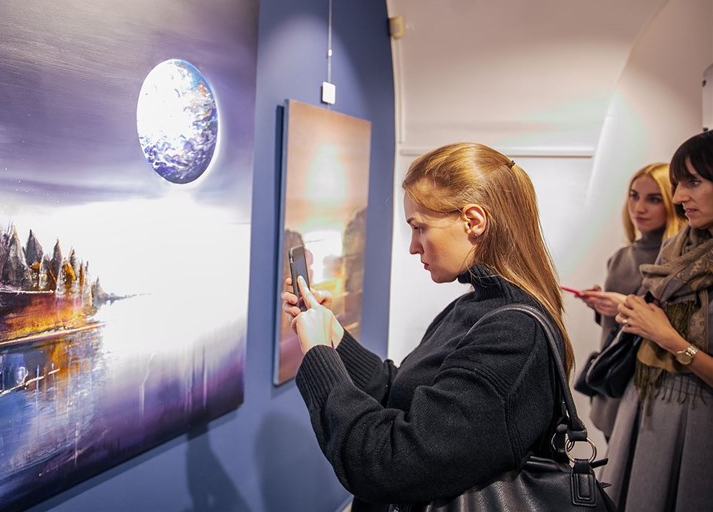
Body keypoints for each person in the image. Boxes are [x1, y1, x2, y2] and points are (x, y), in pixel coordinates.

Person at [281, 143, 575, 510]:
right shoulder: (475, 307)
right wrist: (334, 338)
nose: (413, 247)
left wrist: (318, 355)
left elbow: (388, 464)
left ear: (474, 222)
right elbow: (404, 393)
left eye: (420, 228)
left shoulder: (514, 335)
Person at [599, 131, 713, 511]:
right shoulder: (675, 248)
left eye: (693, 182)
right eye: (678, 184)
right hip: (643, 405)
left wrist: (669, 338)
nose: (679, 197)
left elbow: (665, 334)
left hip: (698, 421)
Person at [576, 163, 684, 440]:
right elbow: (613, 328)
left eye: (654, 199)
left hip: (648, 387)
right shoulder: (621, 257)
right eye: (634, 196)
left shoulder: (679, 261)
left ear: (673, 202)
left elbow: (678, 326)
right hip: (613, 381)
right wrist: (600, 305)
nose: (639, 208)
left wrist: (623, 304)